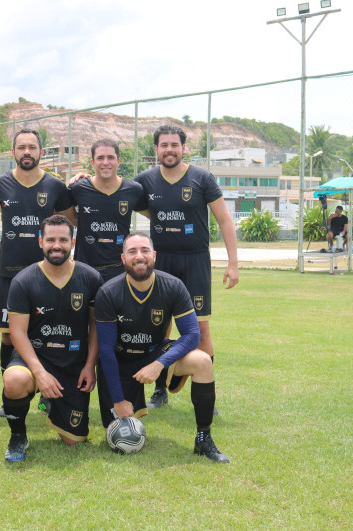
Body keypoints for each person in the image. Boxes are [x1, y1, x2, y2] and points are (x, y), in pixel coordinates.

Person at [95, 232, 228, 462]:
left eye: (145, 250)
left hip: (154, 354)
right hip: (120, 361)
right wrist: (117, 399)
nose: (139, 256)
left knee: (203, 362)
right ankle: (122, 401)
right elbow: (105, 351)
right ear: (123, 258)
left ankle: (203, 438)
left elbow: (192, 335)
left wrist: (158, 364)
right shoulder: (108, 292)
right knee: (116, 427)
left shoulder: (173, 286)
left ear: (154, 256)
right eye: (132, 251)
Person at [132, 125, 239, 410]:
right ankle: (160, 390)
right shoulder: (144, 180)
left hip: (195, 260)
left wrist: (233, 263)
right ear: (156, 149)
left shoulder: (202, 178)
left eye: (174, 145)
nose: (169, 150)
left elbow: (225, 220)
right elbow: (114, 189)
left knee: (200, 328)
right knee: (159, 325)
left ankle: (206, 395)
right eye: (164, 145)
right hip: (161, 261)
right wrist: (82, 177)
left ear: (183, 148)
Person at [0, 129, 75, 412]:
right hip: (11, 272)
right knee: (9, 334)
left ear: (41, 152)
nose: (27, 152)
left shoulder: (55, 185)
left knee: (49, 333)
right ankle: (12, 397)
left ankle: (48, 393)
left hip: (49, 275)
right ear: (13, 152)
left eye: (32, 147)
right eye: (21, 147)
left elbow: (71, 220)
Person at [0, 215, 102, 461]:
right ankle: (18, 435)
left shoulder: (90, 278)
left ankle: (52, 402)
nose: (57, 245)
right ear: (40, 242)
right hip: (35, 358)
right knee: (14, 379)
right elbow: (17, 332)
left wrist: (90, 365)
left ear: (73, 243)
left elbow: (95, 326)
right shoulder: (23, 280)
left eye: (63, 240)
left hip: (73, 363)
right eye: (51, 240)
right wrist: (40, 373)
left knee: (74, 440)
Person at [68, 138, 147, 282]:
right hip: (85, 268)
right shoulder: (78, 188)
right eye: (100, 158)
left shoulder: (134, 190)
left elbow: (152, 213)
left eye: (110, 157)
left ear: (118, 161)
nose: (105, 162)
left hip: (119, 269)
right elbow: (61, 211)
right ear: (92, 163)